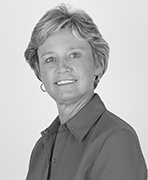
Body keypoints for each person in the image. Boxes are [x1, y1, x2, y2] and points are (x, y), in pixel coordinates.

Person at [24, 4, 147, 180]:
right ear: (40, 72)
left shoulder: (116, 139)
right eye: (50, 59)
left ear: (97, 64)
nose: (62, 68)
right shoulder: (41, 148)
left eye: (74, 55)